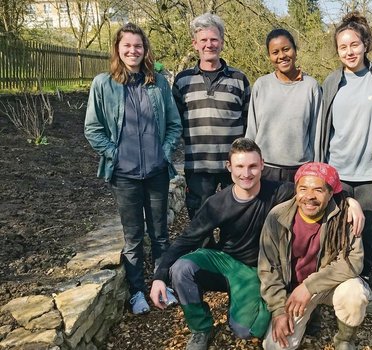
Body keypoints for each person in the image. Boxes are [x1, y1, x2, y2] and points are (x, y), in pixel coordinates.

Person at [149, 138, 364, 350]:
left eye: (252, 166)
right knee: (181, 269)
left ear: (262, 165)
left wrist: (348, 200)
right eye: (239, 166)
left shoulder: (279, 192)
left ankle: (250, 308)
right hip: (225, 261)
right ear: (229, 167)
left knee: (247, 330)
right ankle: (200, 328)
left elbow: (315, 190)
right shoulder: (217, 204)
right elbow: (187, 239)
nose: (246, 173)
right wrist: (160, 276)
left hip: (256, 269)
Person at [84, 23, 182, 315]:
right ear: (117, 49)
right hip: (124, 175)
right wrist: (115, 154)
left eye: (138, 46)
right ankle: (137, 292)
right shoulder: (103, 84)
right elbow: (93, 128)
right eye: (127, 45)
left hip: (156, 172)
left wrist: (164, 153)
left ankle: (162, 283)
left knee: (160, 233)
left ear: (145, 49)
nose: (132, 51)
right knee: (134, 237)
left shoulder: (158, 83)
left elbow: (174, 124)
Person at [259, 162, 372, 350]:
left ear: (330, 194)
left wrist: (309, 286)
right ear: (296, 190)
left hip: (326, 285)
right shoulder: (277, 217)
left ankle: (345, 340)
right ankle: (309, 315)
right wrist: (278, 311)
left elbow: (353, 261)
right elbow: (267, 269)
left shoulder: (345, 217)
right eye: (303, 188)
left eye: (318, 190)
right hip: (294, 290)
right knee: (274, 347)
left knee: (355, 292)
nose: (309, 196)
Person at [318, 12, 372, 278]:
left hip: (369, 172)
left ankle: (366, 274)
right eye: (343, 47)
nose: (349, 51)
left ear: (365, 44)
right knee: (336, 225)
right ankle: (337, 275)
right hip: (338, 170)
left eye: (354, 45)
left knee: (366, 227)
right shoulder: (332, 82)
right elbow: (324, 128)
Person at [173, 13, 251, 219]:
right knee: (199, 220)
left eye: (214, 39)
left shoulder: (239, 79)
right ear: (195, 44)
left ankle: (229, 252)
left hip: (232, 165)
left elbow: (248, 122)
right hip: (198, 165)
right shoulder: (183, 81)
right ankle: (204, 252)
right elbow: (176, 122)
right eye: (204, 40)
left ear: (222, 43)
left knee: (235, 218)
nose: (209, 44)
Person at [245, 29, 322, 182]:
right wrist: (249, 165)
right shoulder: (261, 85)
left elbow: (316, 133)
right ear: (269, 56)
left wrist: (316, 169)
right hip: (265, 169)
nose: (282, 56)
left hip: (300, 171)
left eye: (286, 49)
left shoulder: (311, 86)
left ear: (295, 50)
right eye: (275, 52)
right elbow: (252, 130)